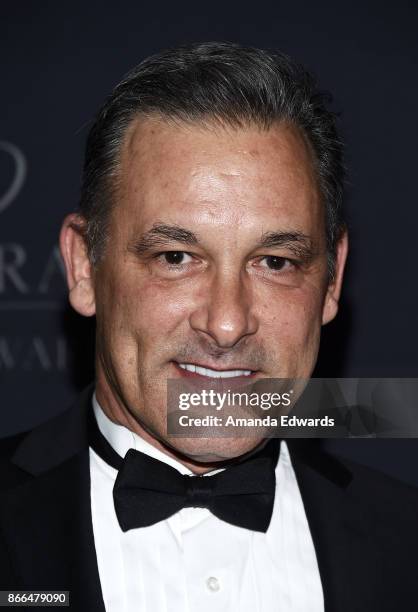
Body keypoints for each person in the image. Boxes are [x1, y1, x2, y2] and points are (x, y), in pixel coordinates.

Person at [1, 42, 417, 612]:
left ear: (332, 278)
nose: (226, 324)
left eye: (275, 262)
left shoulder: (404, 540)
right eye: (176, 257)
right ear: (83, 268)